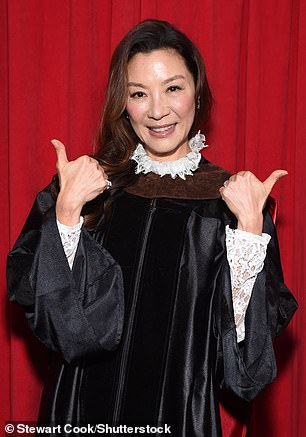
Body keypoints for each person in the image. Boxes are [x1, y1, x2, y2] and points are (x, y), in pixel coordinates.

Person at [7, 19, 297, 436]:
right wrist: (67, 214)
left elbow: (244, 368)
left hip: (180, 415)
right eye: (139, 94)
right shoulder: (85, 187)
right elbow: (60, 324)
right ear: (122, 103)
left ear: (197, 89)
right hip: (82, 408)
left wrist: (251, 231)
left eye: (173, 88)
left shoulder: (231, 203)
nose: (157, 110)